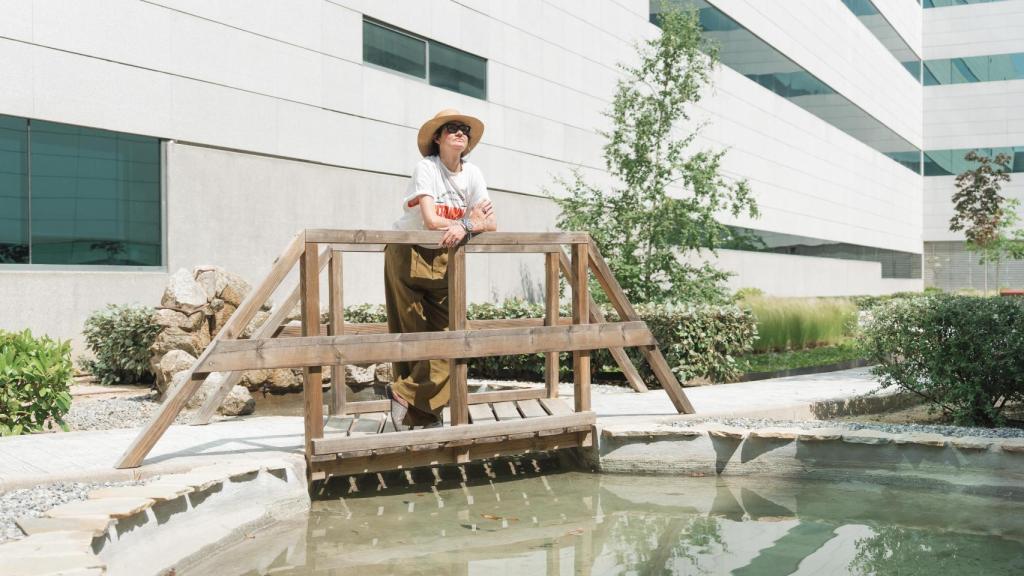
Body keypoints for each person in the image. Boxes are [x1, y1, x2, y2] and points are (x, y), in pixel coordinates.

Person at [384, 109, 497, 430]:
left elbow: (491, 222)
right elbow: (431, 220)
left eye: (465, 130)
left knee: (455, 336)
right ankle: (421, 416)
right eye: (452, 128)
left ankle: (404, 394)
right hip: (407, 253)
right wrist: (466, 221)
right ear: (437, 137)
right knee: (412, 335)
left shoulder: (473, 174)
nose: (461, 133)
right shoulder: (427, 168)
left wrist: (469, 225)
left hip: (446, 255)